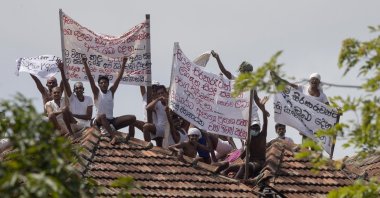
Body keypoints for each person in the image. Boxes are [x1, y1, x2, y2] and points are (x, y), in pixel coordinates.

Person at [82, 57, 136, 142]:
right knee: (103, 116)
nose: (103, 84)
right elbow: (90, 78)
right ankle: (113, 136)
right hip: (99, 120)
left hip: (111, 120)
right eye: (101, 83)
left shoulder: (111, 92)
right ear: (99, 85)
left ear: (108, 84)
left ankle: (131, 137)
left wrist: (124, 63)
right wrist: (85, 63)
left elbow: (119, 78)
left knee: (132, 118)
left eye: (105, 82)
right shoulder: (97, 92)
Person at [221, 96, 269, 179]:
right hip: (249, 162)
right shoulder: (250, 139)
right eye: (253, 128)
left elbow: (265, 121)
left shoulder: (262, 136)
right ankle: (223, 177)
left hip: (258, 163)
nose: (255, 129)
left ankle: (236, 182)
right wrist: (237, 158)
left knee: (243, 166)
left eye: (256, 128)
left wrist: (263, 108)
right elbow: (243, 155)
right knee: (231, 168)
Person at [58, 61, 93, 129]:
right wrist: (62, 70)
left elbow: (89, 116)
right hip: (74, 122)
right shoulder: (72, 97)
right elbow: (65, 83)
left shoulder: (89, 99)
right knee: (65, 110)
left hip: (86, 124)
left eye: (80, 88)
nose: (78, 89)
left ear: (83, 89)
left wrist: (73, 115)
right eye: (76, 88)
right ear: (74, 90)